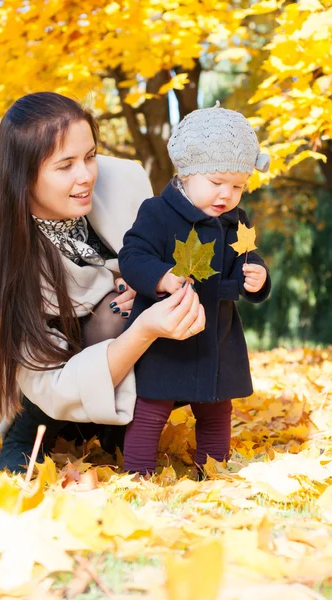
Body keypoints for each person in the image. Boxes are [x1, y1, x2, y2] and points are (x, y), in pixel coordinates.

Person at [0, 92, 206, 473]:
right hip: (21, 370)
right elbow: (47, 381)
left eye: (90, 156)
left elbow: (159, 254)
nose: (86, 176)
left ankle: (111, 426)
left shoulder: (123, 180)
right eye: (65, 166)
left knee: (158, 318)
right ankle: (27, 431)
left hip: (98, 338)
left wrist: (148, 284)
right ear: (24, 176)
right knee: (117, 316)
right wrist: (143, 328)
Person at [119, 102, 272, 476]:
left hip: (217, 333)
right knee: (151, 404)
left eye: (238, 186)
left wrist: (257, 277)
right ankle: (138, 472)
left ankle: (213, 468)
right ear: (186, 174)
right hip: (166, 331)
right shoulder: (157, 212)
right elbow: (133, 254)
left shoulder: (236, 222)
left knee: (217, 406)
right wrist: (160, 277)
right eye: (217, 182)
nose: (227, 194)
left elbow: (247, 258)